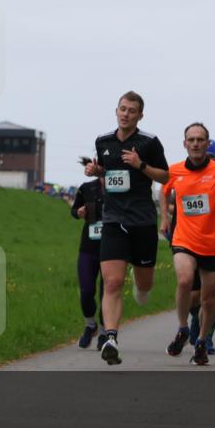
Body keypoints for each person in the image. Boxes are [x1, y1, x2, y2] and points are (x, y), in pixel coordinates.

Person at [85, 91, 170, 365]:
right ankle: (110, 337)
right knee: (112, 282)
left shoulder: (149, 142)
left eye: (132, 111)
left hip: (142, 220)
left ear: (140, 115)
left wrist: (140, 164)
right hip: (113, 219)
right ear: (116, 110)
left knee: (144, 285)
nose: (126, 114)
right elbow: (107, 172)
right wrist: (96, 171)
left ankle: (141, 286)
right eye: (122, 109)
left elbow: (165, 176)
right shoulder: (103, 141)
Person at [160, 123, 215, 366]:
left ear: (207, 143)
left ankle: (202, 341)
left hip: (212, 243)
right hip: (183, 238)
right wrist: (164, 217)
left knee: (208, 299)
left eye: (200, 139)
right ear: (184, 144)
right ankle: (183, 328)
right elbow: (163, 191)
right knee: (185, 280)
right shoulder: (174, 170)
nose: (195, 143)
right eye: (191, 139)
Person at [71, 175, 106, 350]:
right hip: (88, 247)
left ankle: (105, 331)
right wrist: (78, 212)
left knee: (107, 293)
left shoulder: (122, 186)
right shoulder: (86, 187)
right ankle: (90, 325)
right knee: (86, 290)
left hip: (111, 249)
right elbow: (74, 210)